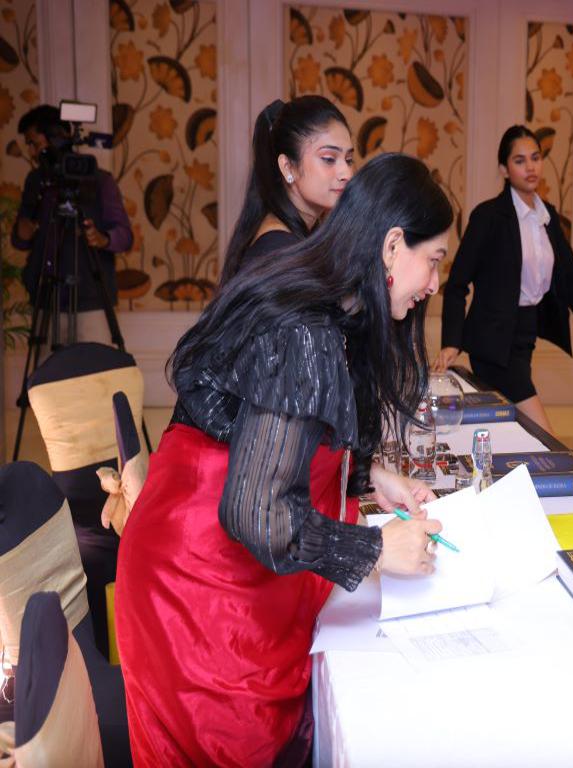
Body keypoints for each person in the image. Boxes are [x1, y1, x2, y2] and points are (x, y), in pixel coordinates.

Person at [116, 153, 451, 766]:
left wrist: (369, 474)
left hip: (243, 566)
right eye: (433, 261)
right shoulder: (303, 328)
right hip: (199, 585)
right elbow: (257, 513)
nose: (434, 284)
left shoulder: (334, 305)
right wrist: (376, 550)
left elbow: (282, 427)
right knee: (231, 742)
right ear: (392, 245)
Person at [435, 125, 573, 432]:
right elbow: (457, 284)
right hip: (492, 343)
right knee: (541, 431)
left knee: (504, 428)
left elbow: (571, 280)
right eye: (519, 160)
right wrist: (452, 342)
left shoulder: (547, 216)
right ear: (504, 169)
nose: (530, 167)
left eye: (535, 157)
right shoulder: (488, 216)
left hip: (525, 337)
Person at [11, 104, 132, 346]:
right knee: (48, 370)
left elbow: (125, 236)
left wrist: (102, 238)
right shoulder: (36, 181)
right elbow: (20, 239)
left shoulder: (99, 180)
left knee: (94, 368)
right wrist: (24, 229)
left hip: (91, 299)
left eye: (34, 143)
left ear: (56, 137)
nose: (32, 152)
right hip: (47, 297)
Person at [220, 95, 355, 285]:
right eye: (329, 159)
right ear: (288, 167)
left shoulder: (294, 241)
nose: (346, 173)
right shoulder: (278, 250)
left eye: (349, 160)